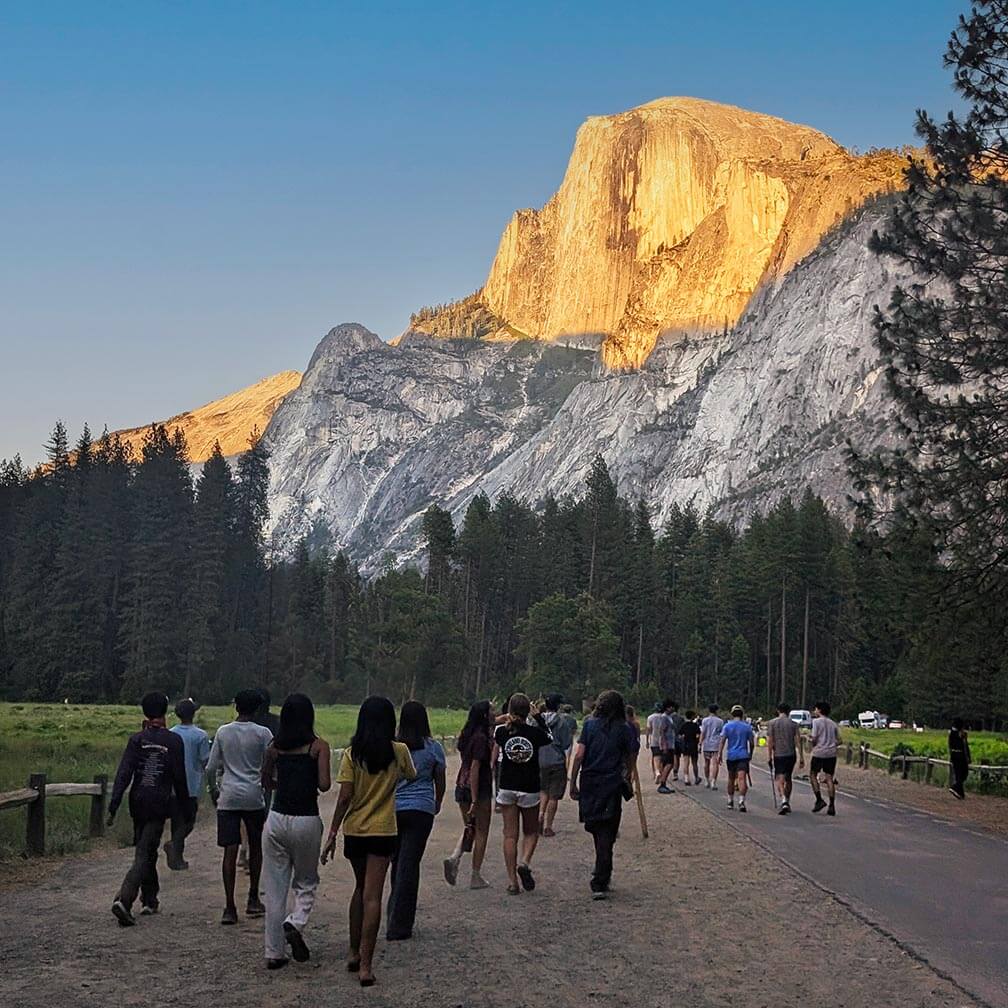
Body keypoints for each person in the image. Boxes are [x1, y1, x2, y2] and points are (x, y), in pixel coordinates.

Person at [321, 697, 416, 987]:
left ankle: (352, 951)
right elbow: (411, 776)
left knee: (360, 889)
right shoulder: (399, 751)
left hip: (355, 830)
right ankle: (366, 966)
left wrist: (333, 831)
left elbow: (345, 796)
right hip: (384, 829)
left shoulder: (351, 754)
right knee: (374, 895)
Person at [260, 693, 331, 970]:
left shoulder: (274, 748)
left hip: (276, 818)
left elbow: (266, 782)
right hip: (306, 819)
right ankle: (296, 921)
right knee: (306, 881)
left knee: (275, 888)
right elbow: (324, 785)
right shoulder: (318, 747)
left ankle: (273, 952)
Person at [108, 691, 189, 926]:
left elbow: (124, 774)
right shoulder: (174, 741)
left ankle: (150, 899)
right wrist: (184, 807)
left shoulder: (136, 740)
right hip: (158, 802)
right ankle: (124, 899)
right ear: (166, 712)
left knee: (147, 848)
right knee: (144, 852)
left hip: (138, 802)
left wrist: (113, 805)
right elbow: (179, 777)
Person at [207, 688, 274, 924]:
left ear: (236, 707)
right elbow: (269, 765)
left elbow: (211, 766)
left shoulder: (223, 732)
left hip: (229, 796)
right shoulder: (263, 733)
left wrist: (214, 789)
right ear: (257, 709)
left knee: (230, 851)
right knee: (256, 848)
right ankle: (253, 898)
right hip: (254, 796)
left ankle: (229, 906)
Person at [569, 690, 638, 899]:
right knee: (606, 828)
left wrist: (572, 781)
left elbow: (580, 755)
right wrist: (628, 773)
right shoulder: (624, 729)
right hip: (611, 783)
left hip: (590, 781)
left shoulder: (590, 726)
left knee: (597, 827)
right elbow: (631, 754)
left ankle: (601, 874)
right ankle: (602, 872)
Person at [386, 700, 446, 940]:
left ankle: (393, 913)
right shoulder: (433, 748)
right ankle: (400, 924)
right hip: (421, 809)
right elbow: (439, 779)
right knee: (410, 865)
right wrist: (437, 802)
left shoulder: (393, 747)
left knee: (397, 861)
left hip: (394, 809)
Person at [492, 693, 552, 894]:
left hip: (507, 786)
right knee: (531, 831)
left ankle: (512, 882)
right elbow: (549, 737)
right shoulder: (535, 734)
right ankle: (524, 862)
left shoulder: (501, 732)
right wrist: (539, 718)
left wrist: (500, 718)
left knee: (510, 834)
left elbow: (487, 727)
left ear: (509, 709)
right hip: (530, 787)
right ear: (529, 711)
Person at [444, 701, 495, 889]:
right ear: (484, 715)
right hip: (478, 789)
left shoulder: (468, 734)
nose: (494, 713)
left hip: (461, 784)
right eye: (491, 710)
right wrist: (475, 798)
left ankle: (455, 857)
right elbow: (475, 768)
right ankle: (475, 875)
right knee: (482, 831)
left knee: (469, 826)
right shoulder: (481, 739)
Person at [165, 697, 210, 870]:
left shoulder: (171, 733)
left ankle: (177, 855)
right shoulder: (200, 735)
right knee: (189, 821)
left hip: (173, 785)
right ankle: (175, 848)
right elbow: (205, 760)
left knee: (177, 821)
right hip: (191, 784)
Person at [538, 693, 574, 838]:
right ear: (558, 706)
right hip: (557, 760)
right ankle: (548, 826)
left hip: (541, 760)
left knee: (543, 791)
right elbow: (566, 743)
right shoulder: (562, 722)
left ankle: (540, 814)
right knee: (554, 795)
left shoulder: (538, 721)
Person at [766, 702, 804, 814]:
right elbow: (798, 741)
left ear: (778, 710)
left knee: (779, 778)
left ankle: (783, 799)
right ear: (789, 711)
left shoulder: (772, 723)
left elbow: (770, 741)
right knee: (788, 778)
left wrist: (769, 756)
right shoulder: (793, 724)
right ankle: (787, 800)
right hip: (791, 754)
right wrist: (801, 756)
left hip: (779, 754)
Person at [719, 705, 754, 812]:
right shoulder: (747, 727)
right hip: (743, 755)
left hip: (732, 755)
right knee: (741, 779)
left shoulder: (727, 726)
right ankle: (741, 801)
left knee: (730, 778)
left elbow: (722, 741)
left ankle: (730, 801)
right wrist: (750, 754)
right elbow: (752, 743)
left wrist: (720, 754)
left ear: (732, 714)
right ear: (742, 714)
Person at [809, 701, 841, 816]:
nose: (814, 711)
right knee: (829, 778)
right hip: (831, 753)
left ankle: (819, 799)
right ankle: (832, 804)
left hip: (819, 752)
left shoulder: (816, 722)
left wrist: (812, 742)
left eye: (816, 709)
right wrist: (832, 744)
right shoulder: (833, 723)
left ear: (819, 710)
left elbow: (814, 737)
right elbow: (840, 740)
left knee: (813, 774)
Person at [657, 700, 682, 793]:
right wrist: (665, 744)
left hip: (671, 743)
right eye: (671, 707)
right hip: (667, 744)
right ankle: (662, 783)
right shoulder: (664, 718)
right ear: (667, 707)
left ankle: (663, 782)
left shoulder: (669, 717)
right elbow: (662, 731)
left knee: (666, 763)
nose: (673, 708)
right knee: (669, 763)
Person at [700, 704, 724, 789]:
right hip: (716, 744)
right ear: (716, 711)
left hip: (707, 743)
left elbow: (703, 732)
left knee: (706, 763)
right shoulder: (720, 721)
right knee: (715, 763)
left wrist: (700, 743)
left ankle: (707, 780)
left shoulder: (705, 720)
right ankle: (713, 781)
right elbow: (722, 734)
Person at [948, 718, 971, 800]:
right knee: (962, 773)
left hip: (955, 756)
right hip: (960, 756)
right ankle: (955, 787)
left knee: (960, 774)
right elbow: (964, 746)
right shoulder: (956, 733)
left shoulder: (955, 733)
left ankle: (960, 792)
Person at [680, 710, 701, 786]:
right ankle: (696, 778)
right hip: (693, 745)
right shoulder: (695, 725)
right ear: (692, 716)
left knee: (686, 762)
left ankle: (686, 778)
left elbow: (680, 735)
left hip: (686, 745)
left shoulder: (684, 725)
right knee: (694, 762)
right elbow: (698, 735)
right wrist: (698, 742)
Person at [646, 703, 665, 782]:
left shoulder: (650, 717)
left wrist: (647, 741)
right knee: (662, 759)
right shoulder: (665, 717)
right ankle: (660, 773)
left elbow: (648, 730)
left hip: (654, 740)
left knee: (655, 757)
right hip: (664, 741)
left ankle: (656, 773)